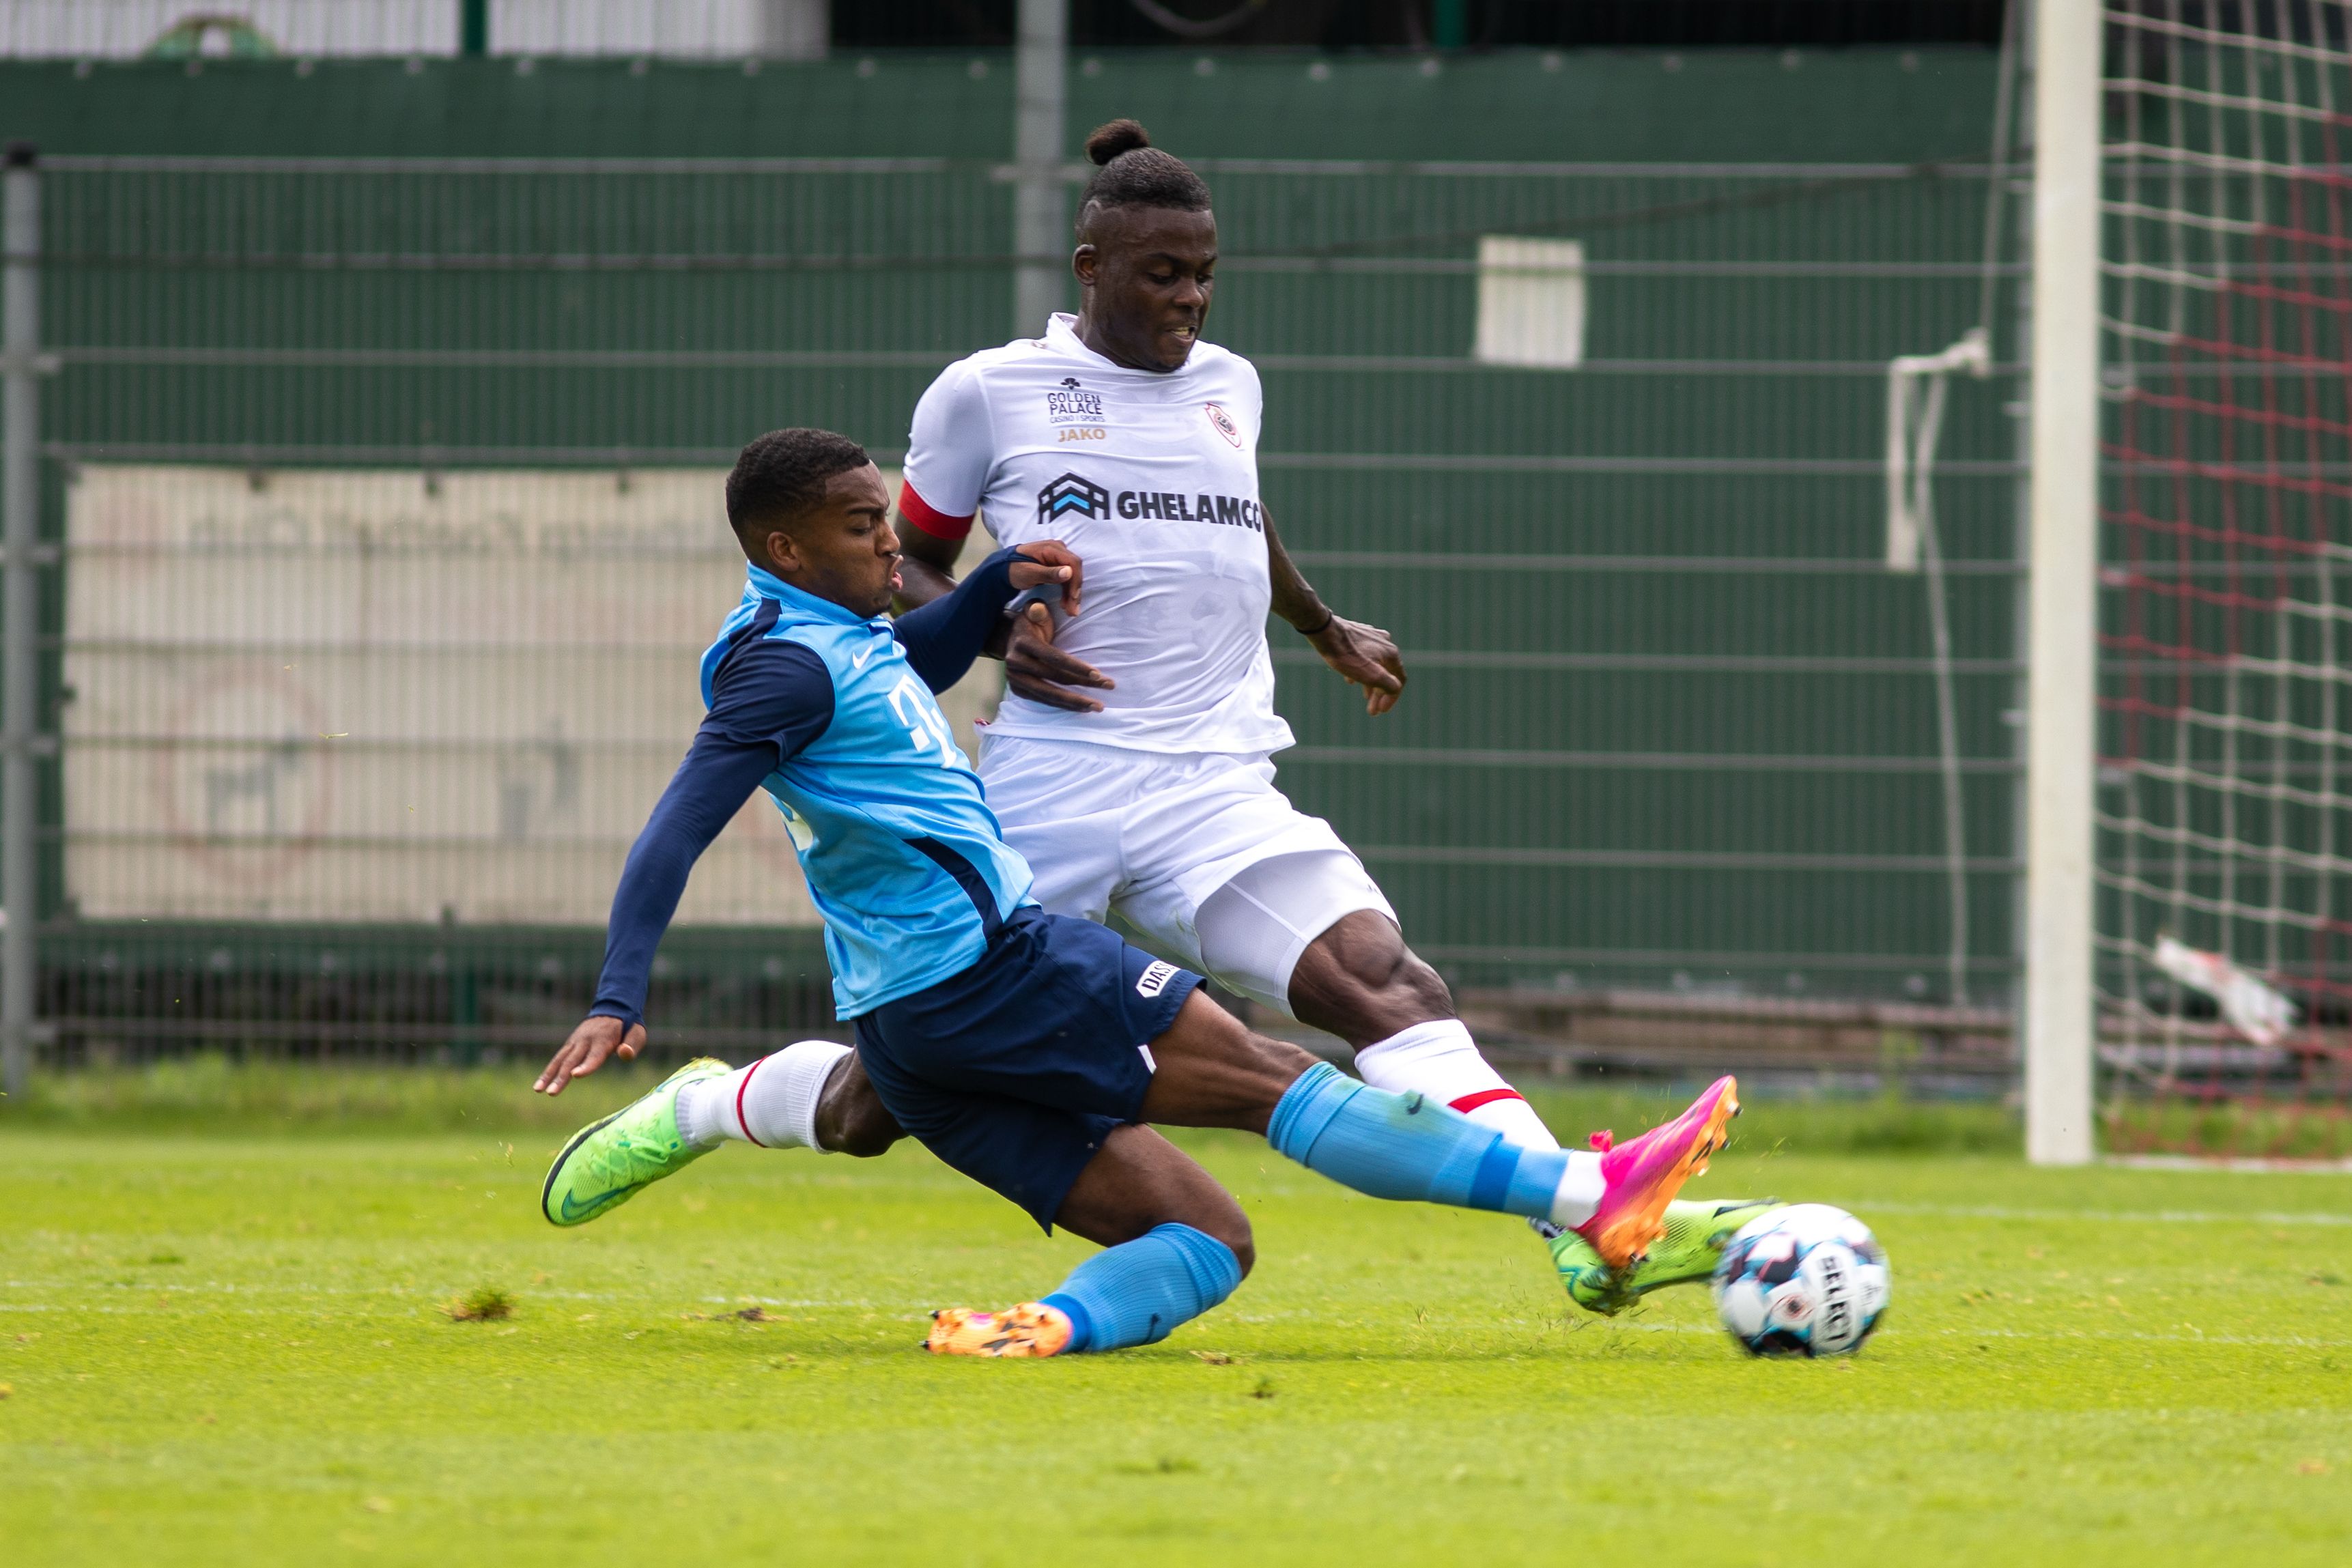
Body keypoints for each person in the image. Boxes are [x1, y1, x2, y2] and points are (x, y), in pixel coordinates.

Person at [679, 119, 1771, 1313]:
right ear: (1091, 266)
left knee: (1384, 982)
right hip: (1054, 782)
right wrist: (999, 626)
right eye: (1162, 273)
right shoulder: (988, 391)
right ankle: (706, 1104)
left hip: (1212, 781)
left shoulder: (1229, 384)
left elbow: (1237, 517)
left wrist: (1320, 623)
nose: (1189, 297)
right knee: (886, 1096)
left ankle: (1584, 1221)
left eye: (1203, 274)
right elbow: (911, 567)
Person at [531, 426, 1739, 1357]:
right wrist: (618, 991)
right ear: (786, 548)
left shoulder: (821, 632)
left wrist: (987, 588)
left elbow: (901, 669)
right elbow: (677, 825)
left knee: (1209, 1238)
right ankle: (1590, 1195)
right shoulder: (781, 673)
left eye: (884, 515)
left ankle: (1041, 1327)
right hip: (995, 971)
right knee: (1275, 1082)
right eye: (860, 527)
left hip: (912, 1027)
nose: (889, 541)